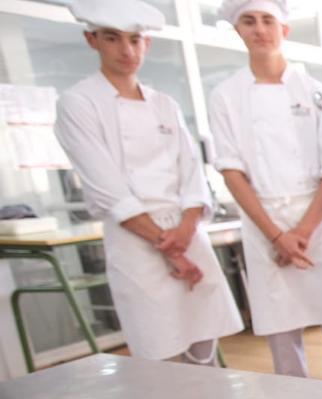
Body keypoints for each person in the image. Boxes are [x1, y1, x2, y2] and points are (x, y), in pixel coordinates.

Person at [54, 0, 243, 365]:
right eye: (113, 39)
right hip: (136, 243)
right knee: (160, 353)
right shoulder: (78, 104)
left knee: (205, 348)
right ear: (92, 41)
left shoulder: (164, 104)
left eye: (135, 40)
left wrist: (186, 232)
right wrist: (170, 249)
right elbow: (108, 188)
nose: (127, 51)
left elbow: (191, 174)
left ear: (147, 44)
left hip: (187, 236)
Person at [208, 0, 322, 383]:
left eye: (268, 20)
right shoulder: (226, 96)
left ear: (285, 30)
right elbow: (231, 171)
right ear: (238, 30)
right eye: (249, 21)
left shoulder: (316, 92)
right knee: (282, 335)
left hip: (318, 224)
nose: (260, 29)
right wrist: (277, 235)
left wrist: (302, 232)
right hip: (264, 226)